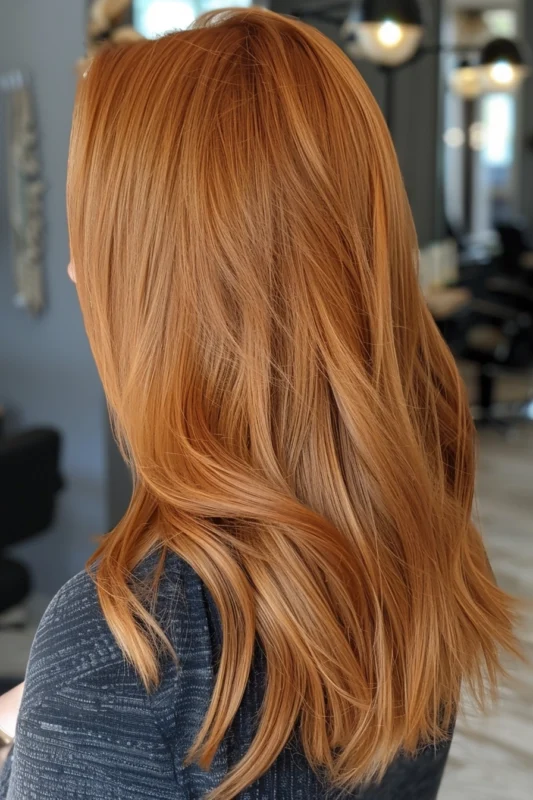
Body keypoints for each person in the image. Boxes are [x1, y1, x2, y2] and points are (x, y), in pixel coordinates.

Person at [0, 8, 518, 799]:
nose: (74, 270)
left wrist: (79, 710)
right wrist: (62, 723)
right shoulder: (417, 535)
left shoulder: (133, 648)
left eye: (100, 236)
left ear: (173, 280)